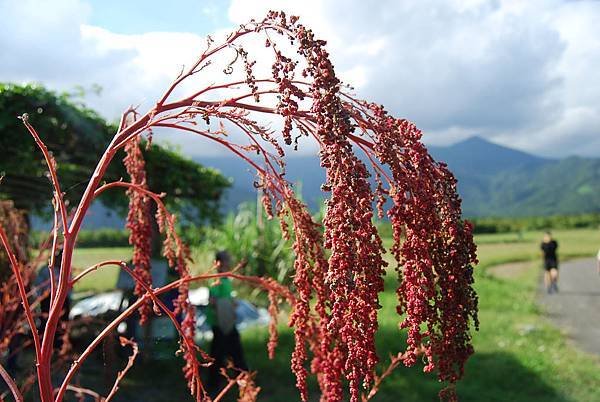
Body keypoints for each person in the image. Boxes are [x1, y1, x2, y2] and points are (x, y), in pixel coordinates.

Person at [207, 251, 248, 390]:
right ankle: (217, 384)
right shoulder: (216, 280)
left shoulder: (225, 279)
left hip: (227, 322)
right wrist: (228, 305)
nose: (229, 263)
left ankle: (241, 380)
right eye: (227, 260)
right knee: (221, 354)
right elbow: (212, 301)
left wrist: (231, 304)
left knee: (228, 352)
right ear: (219, 263)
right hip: (220, 324)